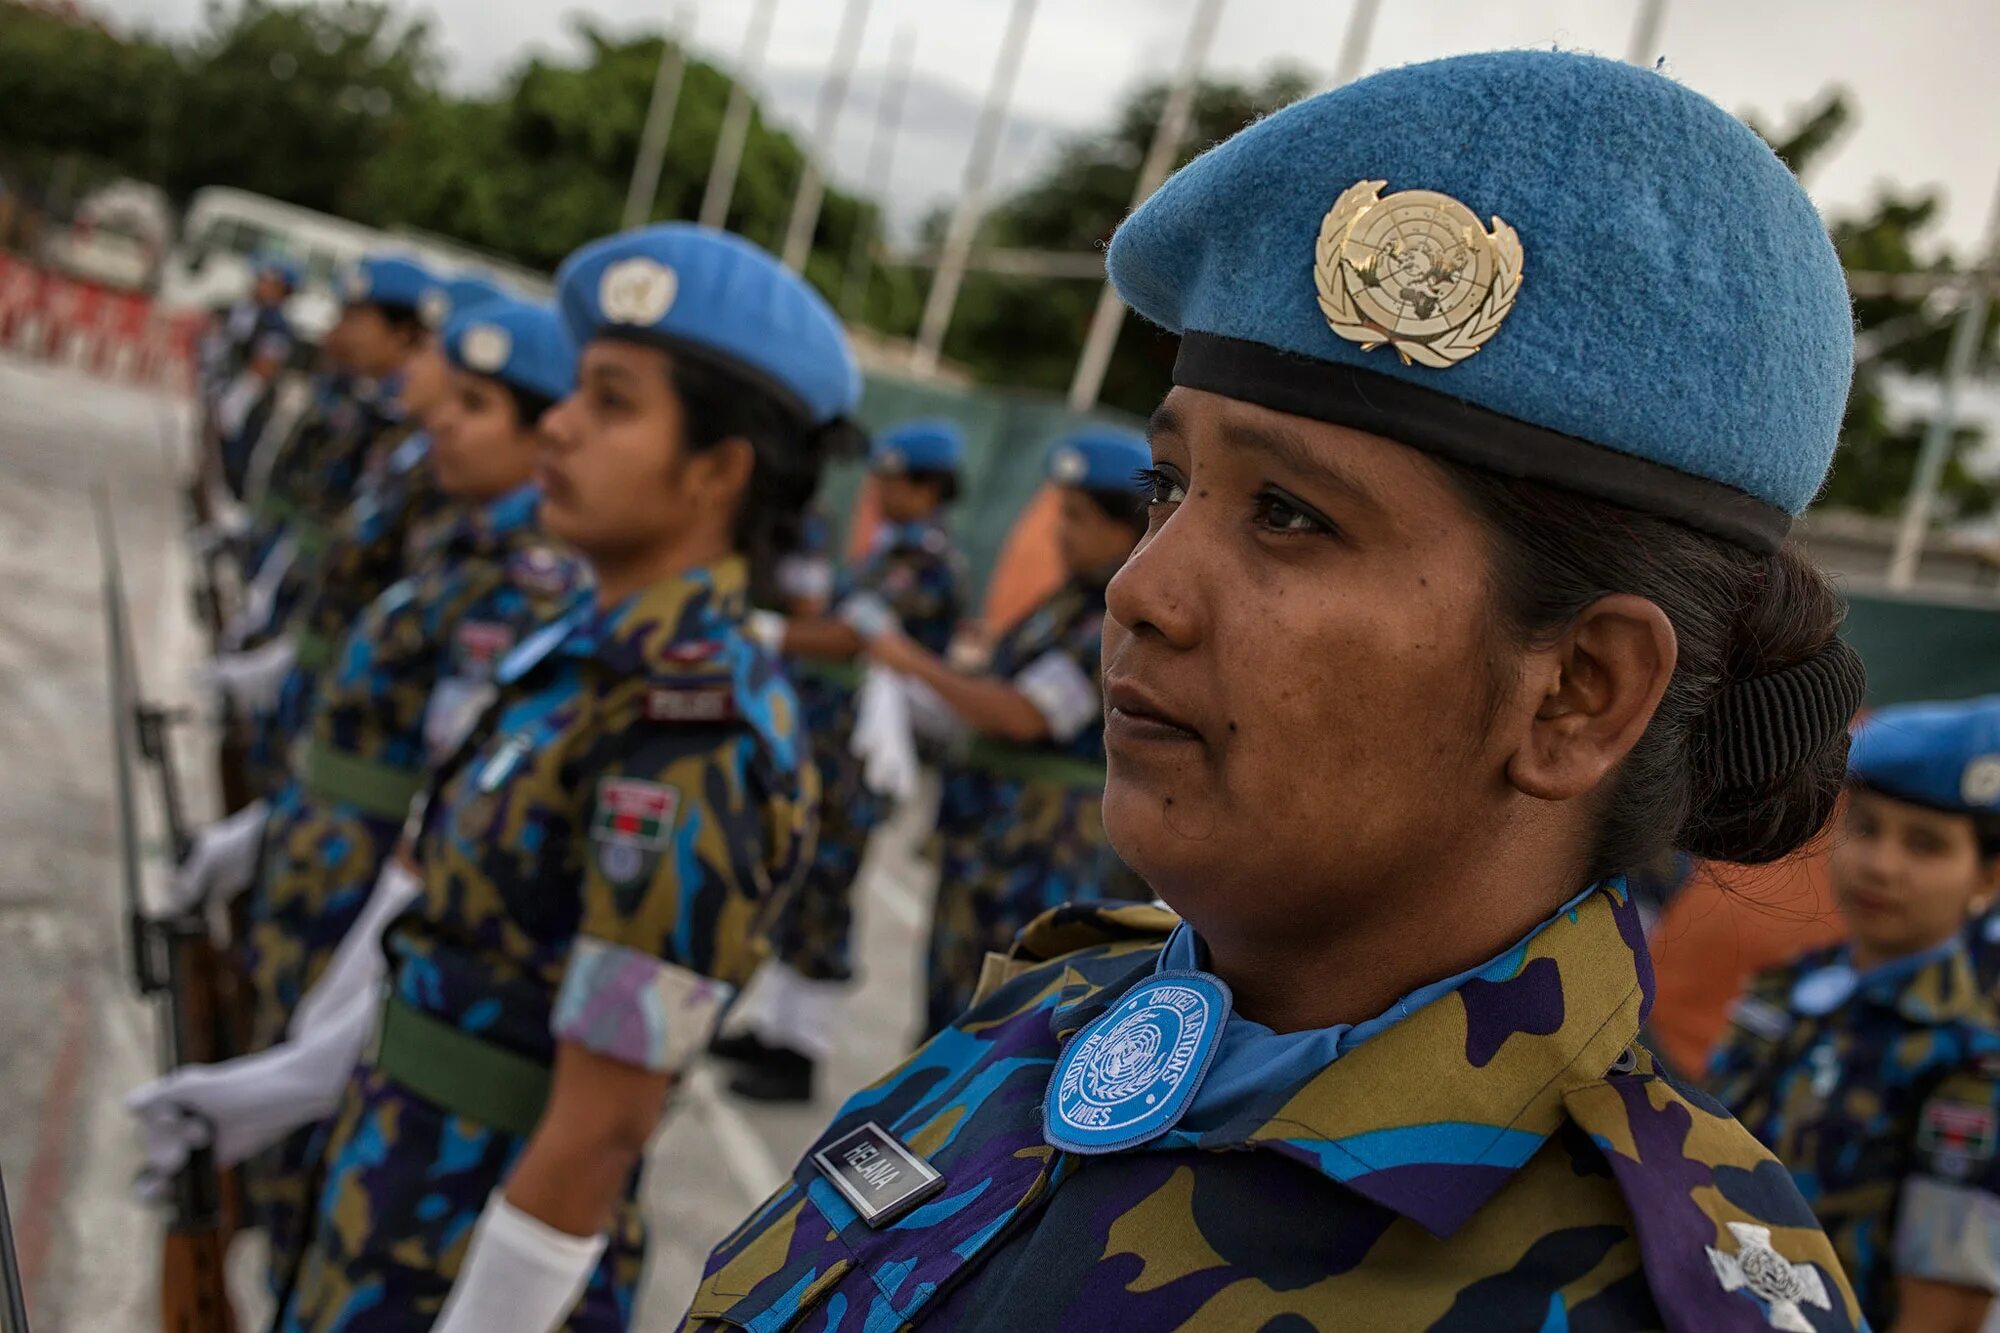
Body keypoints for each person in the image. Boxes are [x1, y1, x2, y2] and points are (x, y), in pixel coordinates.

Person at [684, 49, 1875, 1330]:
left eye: (1290, 514)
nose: (1142, 590)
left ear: (1576, 692)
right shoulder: (1047, 1025)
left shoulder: (1633, 1294)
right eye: (1165, 488)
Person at [276, 222, 859, 1333]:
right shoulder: (580, 651)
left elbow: (602, 1123)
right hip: (387, 1189)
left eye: (611, 402)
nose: (559, 423)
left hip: (477, 1251)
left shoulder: (699, 728)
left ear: (716, 470)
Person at [152, 296, 591, 1292]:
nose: (439, 413)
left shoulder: (528, 582)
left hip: (372, 912)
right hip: (326, 862)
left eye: (474, 402)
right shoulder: (466, 536)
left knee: (299, 1202)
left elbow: (447, 802)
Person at [1710, 697, 2000, 1329]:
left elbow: (1942, 1308)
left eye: (1925, 846)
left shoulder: (1973, 1051)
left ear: (1987, 879)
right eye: (1866, 829)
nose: (1881, 865)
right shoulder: (1788, 990)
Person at [865, 426, 1151, 1039]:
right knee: (952, 1003)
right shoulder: (1068, 603)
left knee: (1003, 1019)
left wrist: (916, 665)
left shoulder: (1113, 621)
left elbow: (1024, 714)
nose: (1060, 532)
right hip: (992, 839)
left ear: (1123, 527)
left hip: (1042, 851)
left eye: (1076, 517)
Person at [719, 418, 969, 1101]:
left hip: (860, 756)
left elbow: (852, 636)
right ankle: (775, 1026)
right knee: (800, 884)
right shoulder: (896, 547)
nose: (878, 489)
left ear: (927, 487)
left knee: (827, 886)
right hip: (833, 744)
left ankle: (803, 1048)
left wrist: (768, 631)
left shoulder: (926, 558)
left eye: (891, 478)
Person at [205, 254, 299, 499]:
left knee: (235, 462)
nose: (258, 284)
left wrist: (235, 402)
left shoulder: (276, 325)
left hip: (248, 400)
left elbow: (263, 368)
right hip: (225, 388)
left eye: (267, 281)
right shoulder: (245, 311)